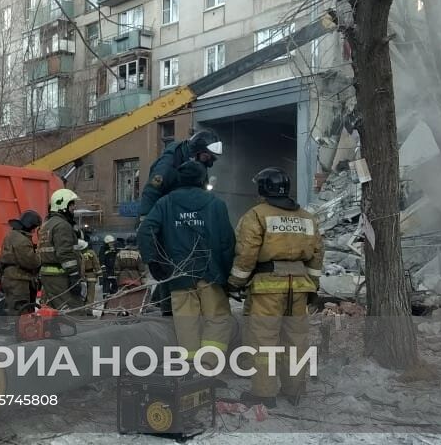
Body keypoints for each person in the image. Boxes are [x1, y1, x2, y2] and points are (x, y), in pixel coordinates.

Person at [228, 167, 323, 408]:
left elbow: (246, 253)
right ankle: (293, 390)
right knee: (296, 339)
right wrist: (312, 287)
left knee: (263, 339)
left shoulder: (256, 215)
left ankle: (264, 393)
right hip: (300, 286)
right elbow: (317, 255)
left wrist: (236, 283)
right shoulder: (307, 217)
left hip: (267, 287)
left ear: (262, 189)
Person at [138, 161, 235, 367]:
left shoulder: (165, 203)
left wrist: (154, 261)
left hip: (179, 276)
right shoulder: (216, 204)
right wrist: (228, 275)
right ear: (203, 180)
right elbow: (227, 242)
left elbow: (145, 231)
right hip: (211, 275)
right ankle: (209, 365)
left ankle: (190, 369)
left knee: (186, 323)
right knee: (217, 320)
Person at [138, 130, 224, 316]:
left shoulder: (195, 163)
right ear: (199, 151)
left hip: (179, 214)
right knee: (170, 262)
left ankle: (166, 302)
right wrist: (149, 228)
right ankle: (167, 308)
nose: (211, 162)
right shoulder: (168, 165)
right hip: (165, 216)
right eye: (209, 157)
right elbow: (151, 193)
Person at [137, 130, 224, 219]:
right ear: (196, 151)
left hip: (181, 213)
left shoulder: (199, 164)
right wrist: (144, 218)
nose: (207, 161)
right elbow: (152, 189)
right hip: (162, 212)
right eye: (206, 156)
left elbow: (201, 189)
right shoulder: (169, 163)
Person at [37, 189, 84, 313]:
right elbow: (65, 252)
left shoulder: (47, 225)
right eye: (72, 204)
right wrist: (74, 275)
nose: (74, 208)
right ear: (62, 205)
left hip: (49, 278)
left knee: (52, 313)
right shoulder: (62, 225)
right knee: (76, 312)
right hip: (61, 278)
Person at [0, 209, 42, 315]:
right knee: (21, 312)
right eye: (35, 228)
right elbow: (32, 262)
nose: (34, 231)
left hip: (9, 279)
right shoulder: (22, 241)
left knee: (11, 310)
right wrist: (40, 255)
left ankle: (14, 329)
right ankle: (20, 331)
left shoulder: (11, 235)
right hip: (19, 282)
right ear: (31, 226)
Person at [105, 236, 149, 316]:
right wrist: (143, 279)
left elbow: (116, 267)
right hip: (135, 278)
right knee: (134, 296)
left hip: (123, 277)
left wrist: (117, 277)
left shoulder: (120, 254)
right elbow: (141, 268)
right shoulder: (138, 254)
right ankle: (133, 312)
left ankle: (123, 311)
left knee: (123, 295)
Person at [78, 238, 101, 308]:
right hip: (91, 276)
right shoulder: (91, 253)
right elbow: (96, 264)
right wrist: (99, 273)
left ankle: (81, 310)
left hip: (80, 278)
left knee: (81, 295)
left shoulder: (78, 254)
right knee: (90, 296)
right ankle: (89, 311)